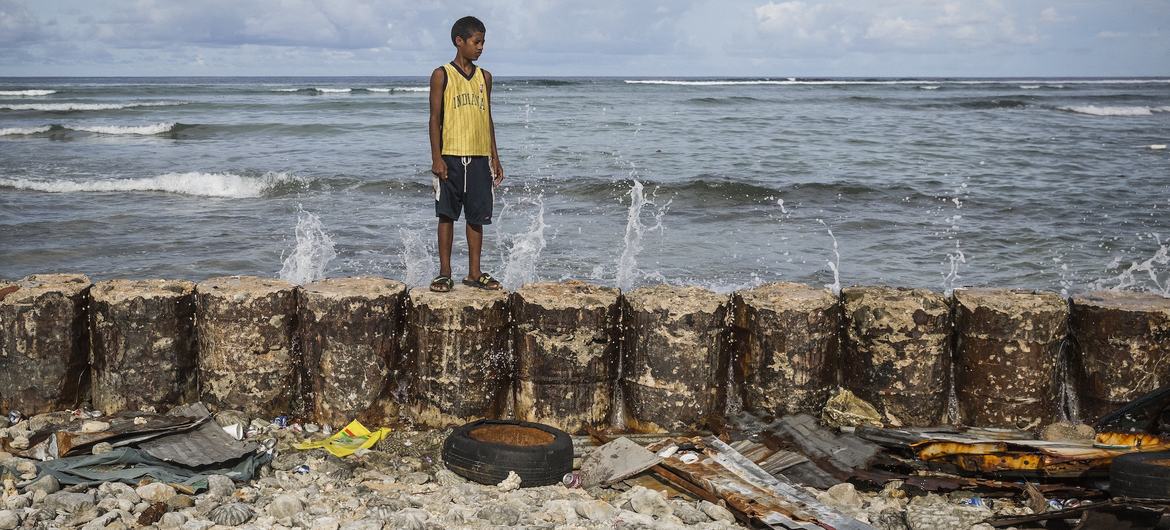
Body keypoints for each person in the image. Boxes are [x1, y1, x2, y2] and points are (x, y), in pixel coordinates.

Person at [428, 15, 505, 292]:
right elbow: (434, 119)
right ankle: (444, 272)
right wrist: (436, 158)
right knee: (447, 214)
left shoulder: (485, 77)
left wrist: (495, 157)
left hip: (479, 158)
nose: (481, 47)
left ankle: (474, 273)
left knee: (477, 217)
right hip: (449, 156)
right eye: (476, 42)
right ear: (459, 42)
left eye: (483, 42)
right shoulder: (442, 75)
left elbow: (488, 119)